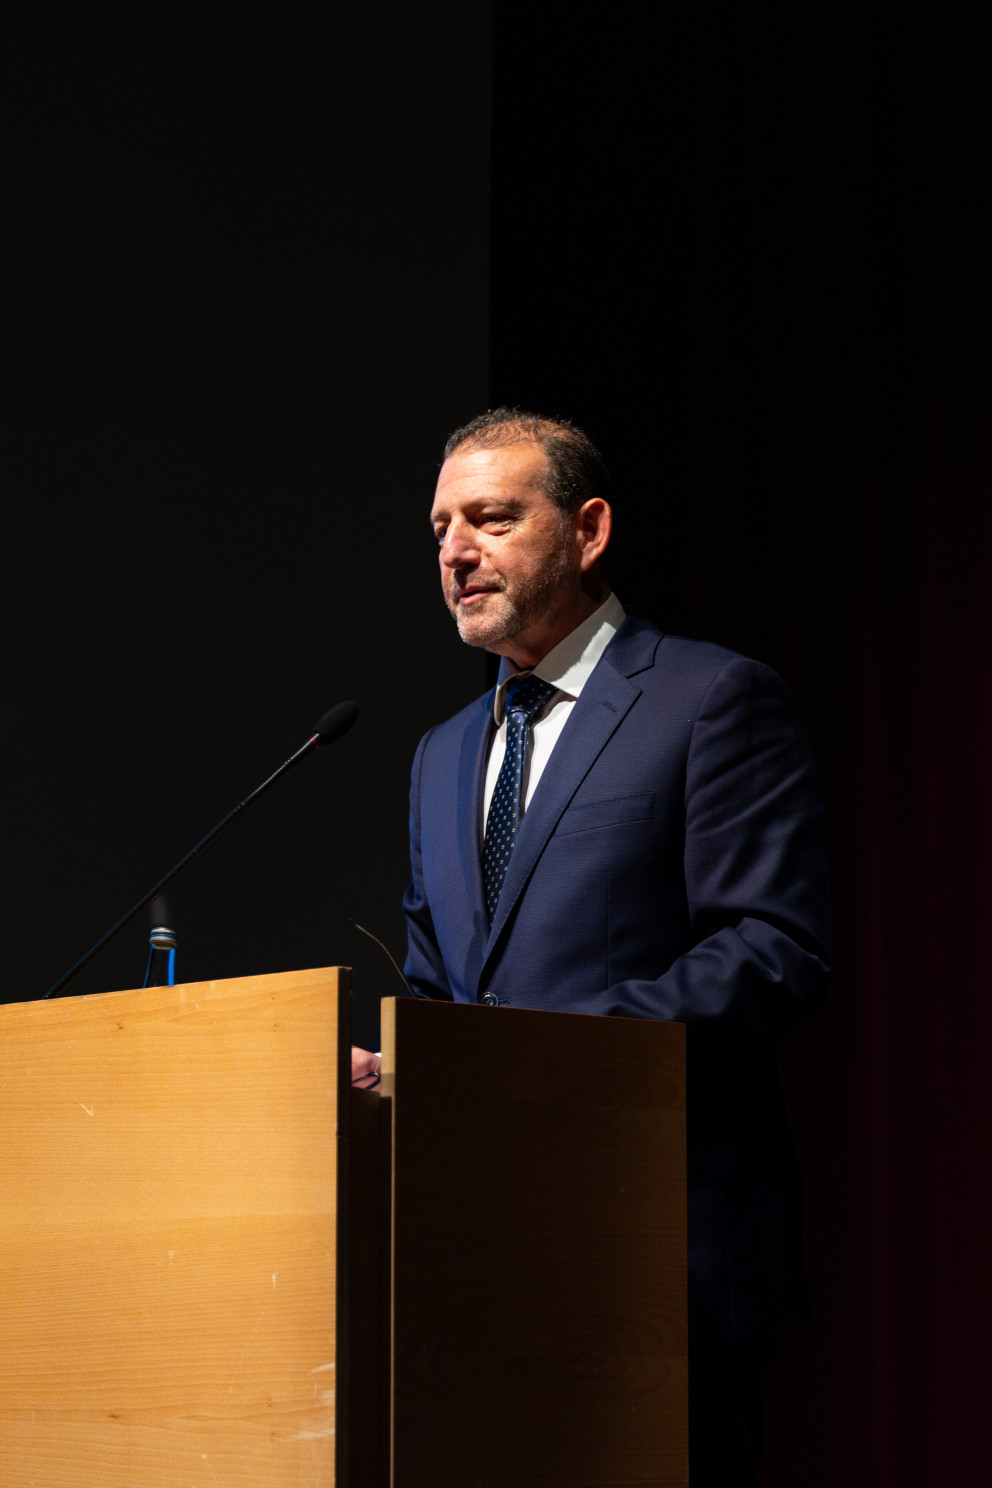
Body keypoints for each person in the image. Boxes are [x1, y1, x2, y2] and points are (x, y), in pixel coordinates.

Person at [354, 408, 831, 1486]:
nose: (454, 553)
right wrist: (398, 1068)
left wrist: (534, 1059)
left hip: (654, 1253)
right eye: (439, 529)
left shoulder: (708, 701)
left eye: (490, 519)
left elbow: (770, 949)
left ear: (589, 530)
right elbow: (441, 991)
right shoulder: (440, 757)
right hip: (480, 1268)